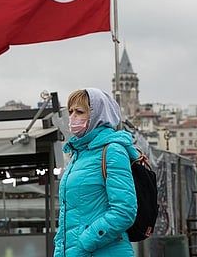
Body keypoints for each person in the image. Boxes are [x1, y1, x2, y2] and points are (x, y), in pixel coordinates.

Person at [53, 88, 138, 257]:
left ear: (97, 114)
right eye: (70, 111)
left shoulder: (112, 150)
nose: (72, 117)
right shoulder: (78, 154)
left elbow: (125, 210)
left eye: (79, 111)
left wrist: (87, 241)